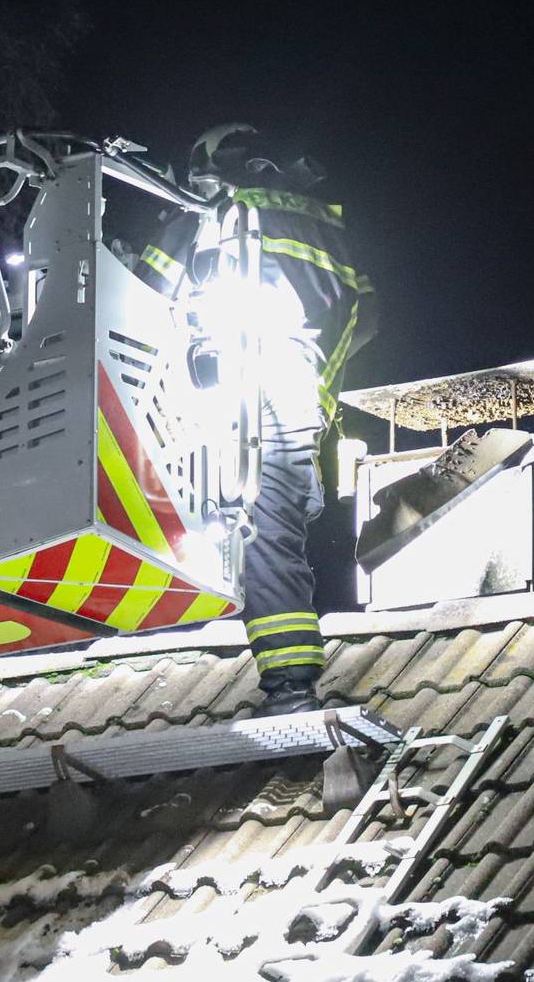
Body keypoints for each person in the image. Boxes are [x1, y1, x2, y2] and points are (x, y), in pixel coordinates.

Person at [137, 123, 378, 715]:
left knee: (257, 536)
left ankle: (291, 684)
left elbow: (142, 294)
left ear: (211, 169)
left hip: (239, 398)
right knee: (271, 531)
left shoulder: (210, 211)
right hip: (302, 403)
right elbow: (367, 320)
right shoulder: (332, 228)